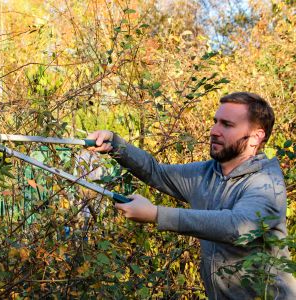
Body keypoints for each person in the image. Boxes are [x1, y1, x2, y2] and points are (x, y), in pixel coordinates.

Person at [87, 92, 296, 299]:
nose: (214, 131)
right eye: (215, 122)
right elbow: (155, 172)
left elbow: (237, 227)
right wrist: (115, 144)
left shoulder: (266, 183)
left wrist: (156, 214)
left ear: (256, 137)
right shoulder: (206, 174)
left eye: (227, 125)